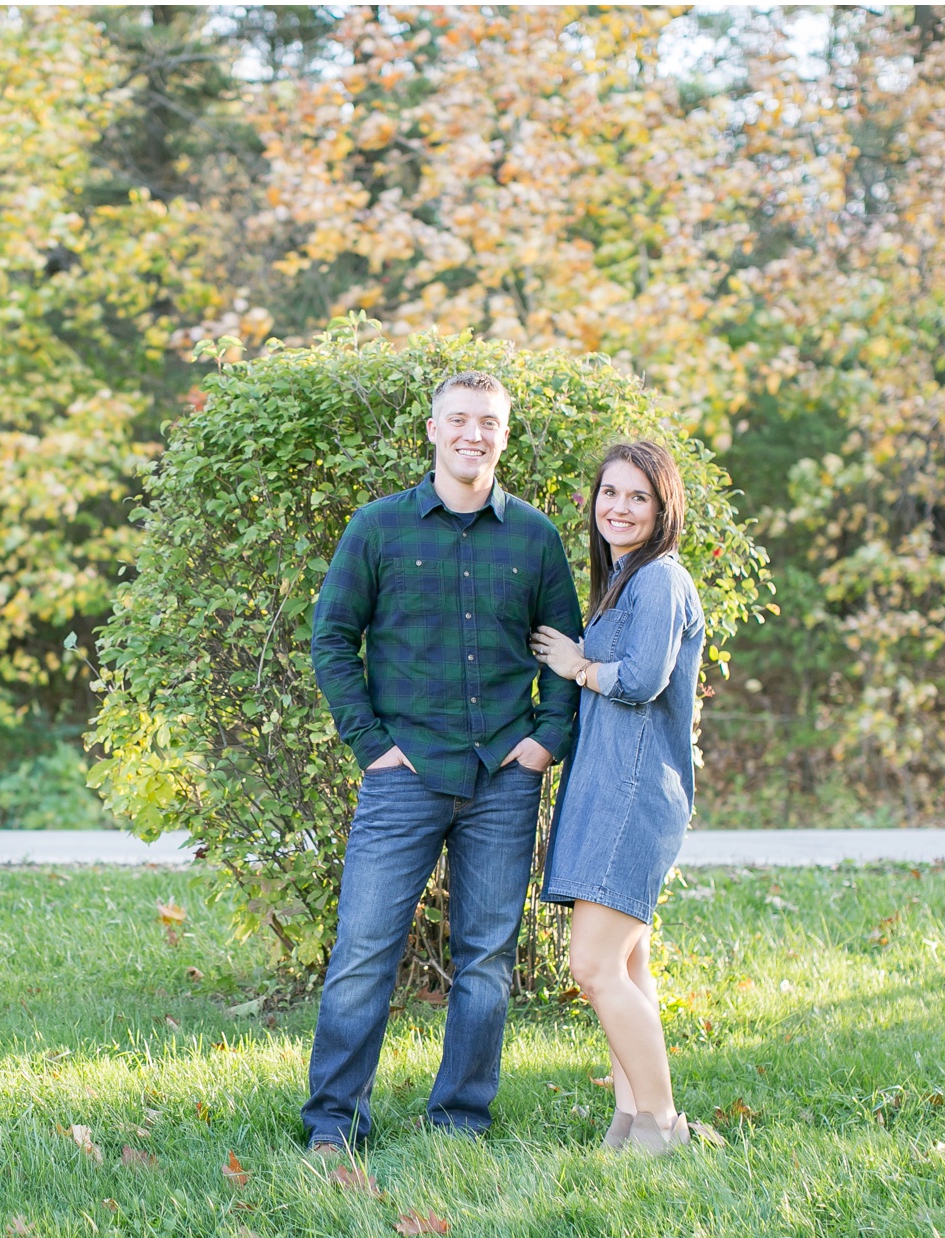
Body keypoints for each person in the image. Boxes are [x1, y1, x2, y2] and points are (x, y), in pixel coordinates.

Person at [302, 371, 582, 1151]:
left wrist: (545, 740)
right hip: (406, 773)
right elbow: (332, 640)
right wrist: (371, 746)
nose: (474, 434)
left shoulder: (535, 537)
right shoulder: (379, 527)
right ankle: (333, 1121)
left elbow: (566, 649)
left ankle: (460, 1118)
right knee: (362, 952)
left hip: (503, 773)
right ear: (431, 430)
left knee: (486, 961)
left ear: (503, 433)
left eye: (488, 422)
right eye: (459, 419)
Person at [529, 439, 705, 1157]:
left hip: (634, 795)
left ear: (663, 507)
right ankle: (631, 1120)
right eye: (610, 493)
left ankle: (661, 1122)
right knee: (628, 966)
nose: (620, 508)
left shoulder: (659, 578)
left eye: (638, 496)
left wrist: (577, 665)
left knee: (593, 967)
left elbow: (641, 680)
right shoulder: (627, 580)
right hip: (611, 789)